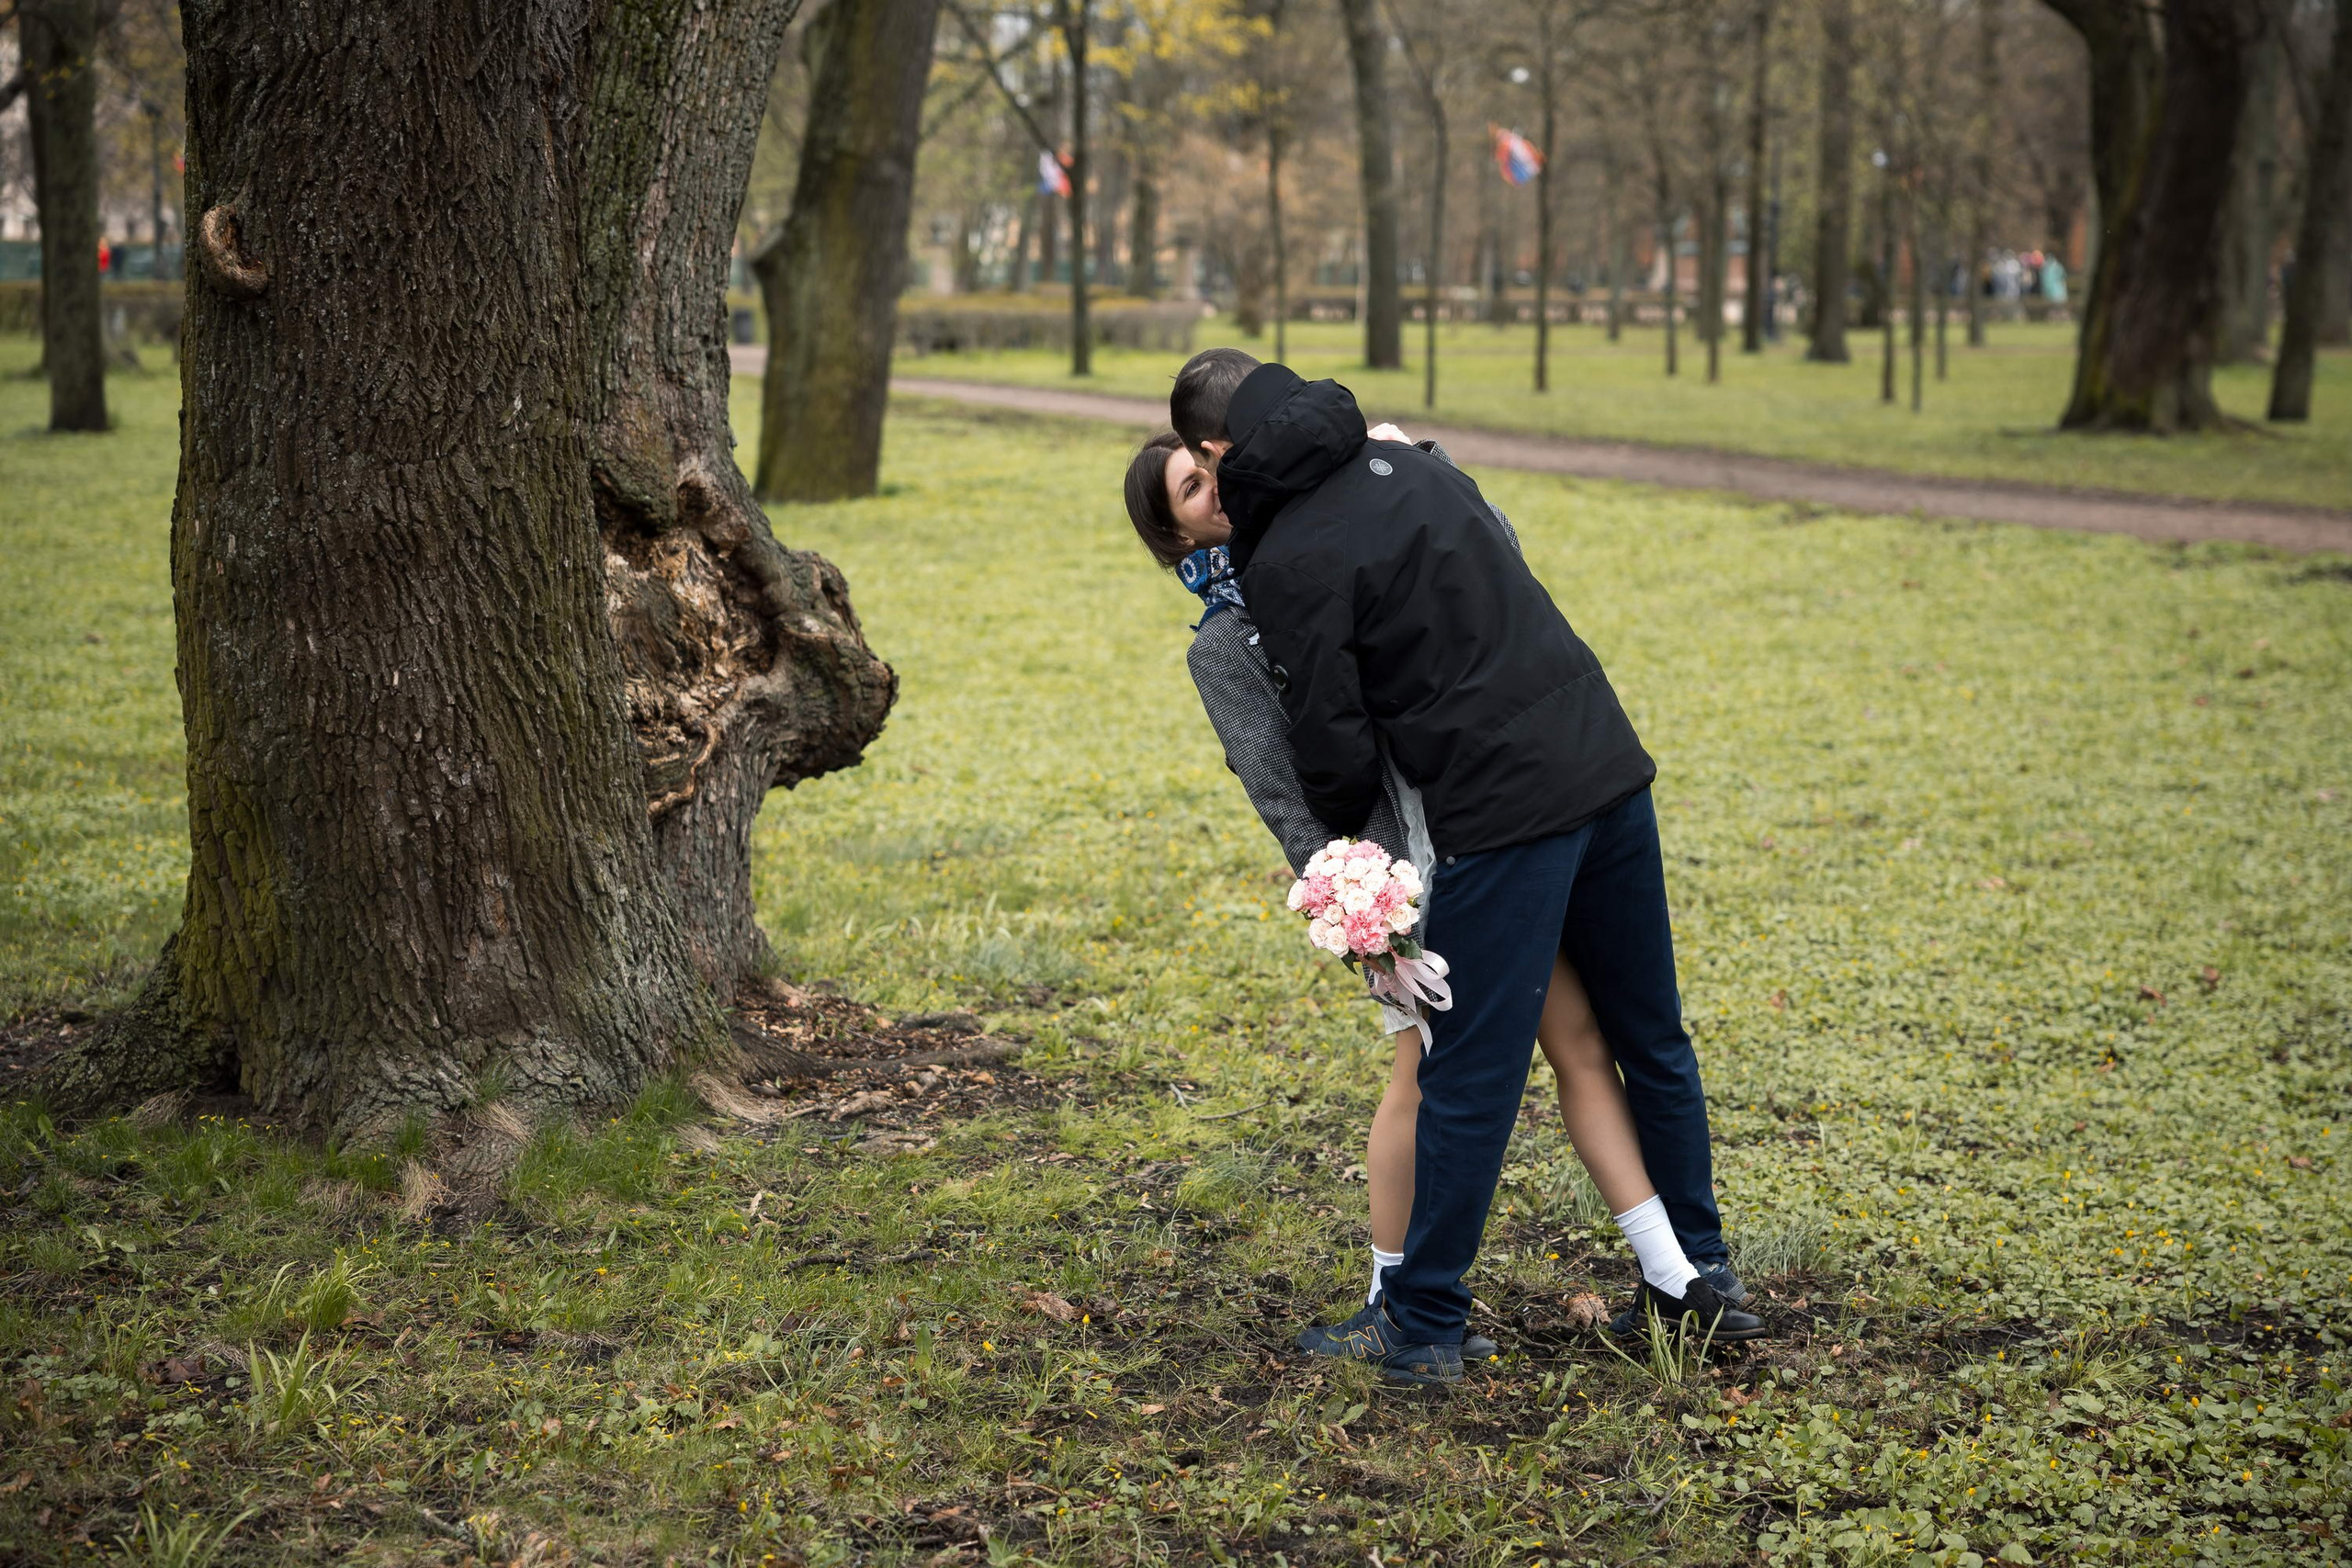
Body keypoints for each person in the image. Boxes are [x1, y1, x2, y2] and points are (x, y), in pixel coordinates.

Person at [1121, 417, 1760, 1382]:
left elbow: (1485, 556)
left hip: (1495, 820)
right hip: (1399, 871)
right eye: (1191, 490)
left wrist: (1423, 458)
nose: (1215, 488)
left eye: (1209, 468)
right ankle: (1400, 1299)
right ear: (1176, 538)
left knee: (1574, 1041)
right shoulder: (1224, 645)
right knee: (1421, 1076)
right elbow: (1279, 791)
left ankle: (1672, 1276)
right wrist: (1360, 909)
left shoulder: (1341, 523)